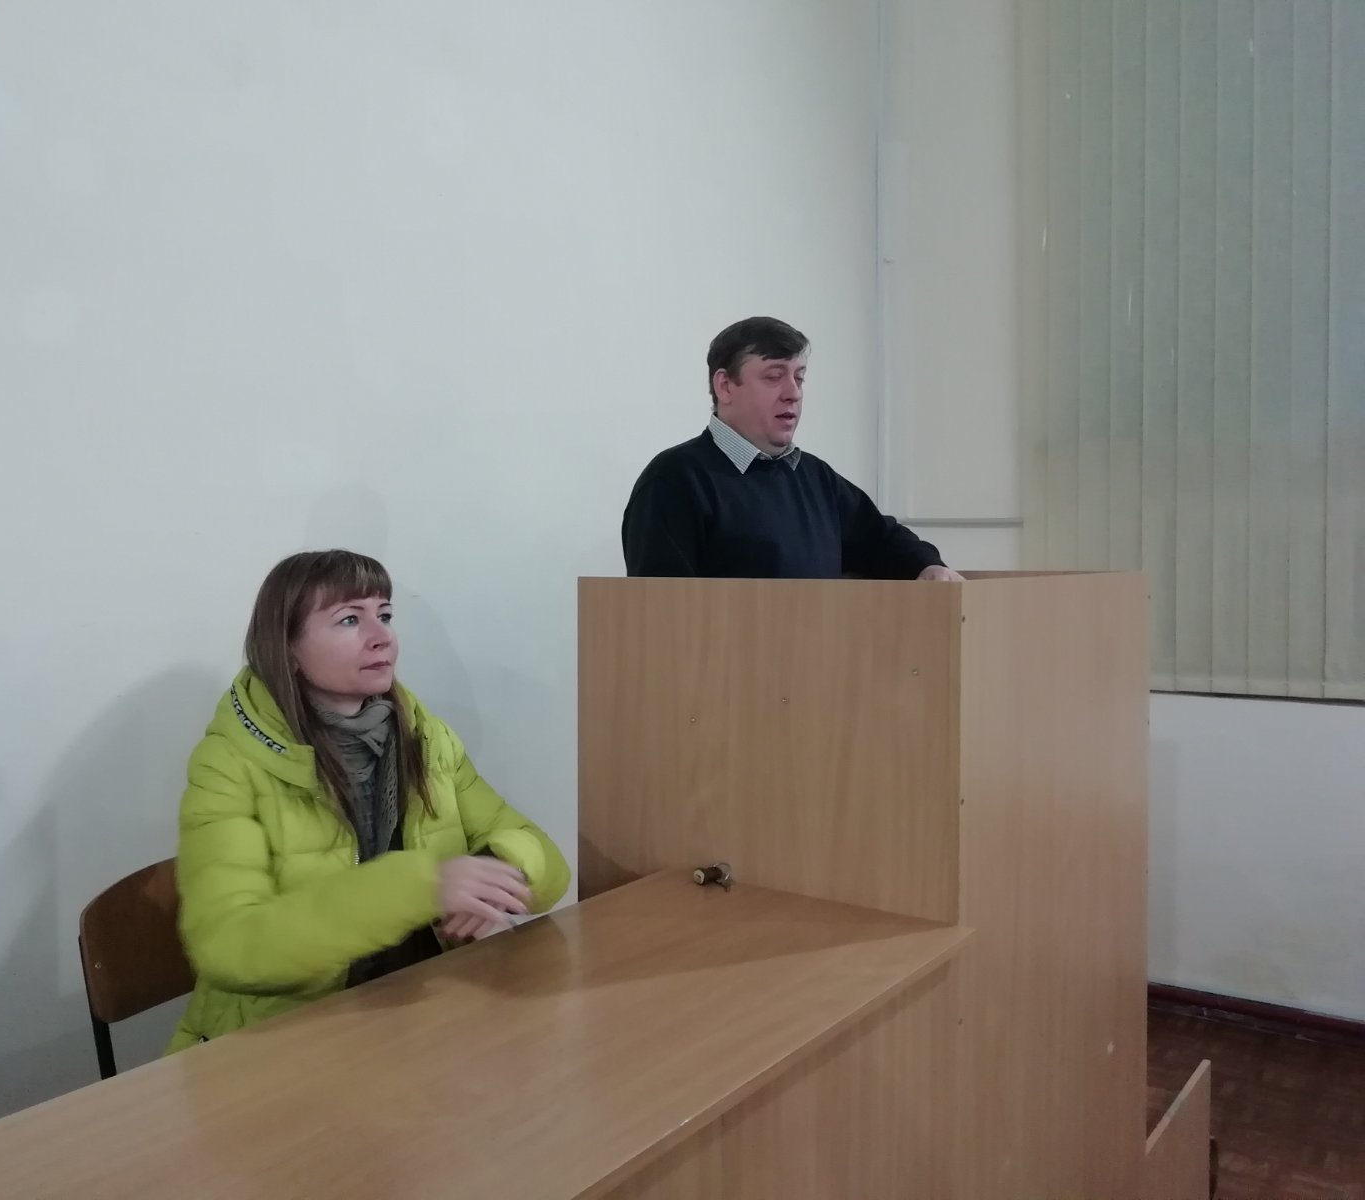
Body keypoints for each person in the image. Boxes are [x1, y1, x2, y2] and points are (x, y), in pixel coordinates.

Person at [165, 549, 570, 1051]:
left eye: (385, 615)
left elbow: (547, 860)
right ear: (287, 649)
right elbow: (229, 948)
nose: (382, 637)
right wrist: (418, 887)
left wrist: (498, 869)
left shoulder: (426, 737)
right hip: (282, 1045)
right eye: (350, 619)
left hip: (419, 1020)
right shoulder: (227, 764)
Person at [621, 316, 967, 582]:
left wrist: (927, 566)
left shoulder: (815, 477)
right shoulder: (674, 480)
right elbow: (662, 614)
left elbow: (881, 540)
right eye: (774, 377)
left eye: (799, 377)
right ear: (725, 386)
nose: (793, 393)